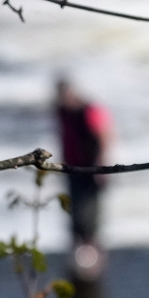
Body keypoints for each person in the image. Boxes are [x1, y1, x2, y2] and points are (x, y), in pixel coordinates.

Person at [55, 78, 113, 245]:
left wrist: (100, 167)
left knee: (89, 213)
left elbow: (103, 136)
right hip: (72, 168)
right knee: (75, 212)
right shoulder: (63, 112)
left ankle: (92, 251)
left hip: (89, 168)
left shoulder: (88, 110)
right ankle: (79, 249)